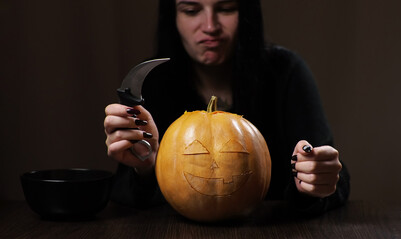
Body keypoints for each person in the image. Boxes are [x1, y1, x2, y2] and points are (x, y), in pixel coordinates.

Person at [104, 0, 350, 216]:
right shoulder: (153, 84)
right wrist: (145, 168)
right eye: (191, 10)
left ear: (246, 12)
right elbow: (123, 194)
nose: (210, 26)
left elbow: (335, 180)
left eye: (226, 8)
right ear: (173, 17)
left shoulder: (287, 73)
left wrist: (316, 180)